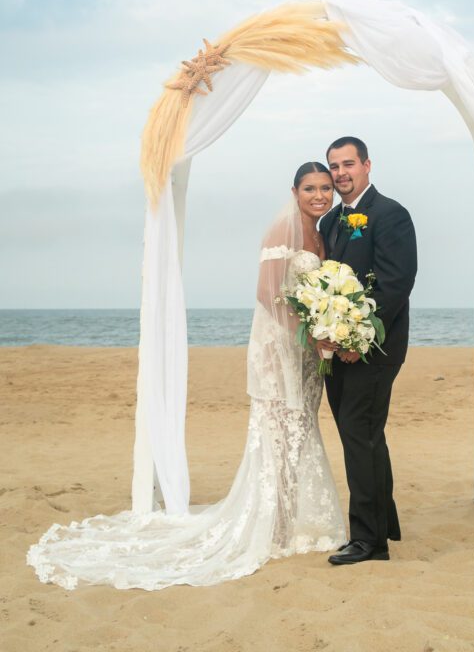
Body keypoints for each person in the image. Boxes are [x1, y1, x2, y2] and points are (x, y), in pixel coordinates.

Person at [27, 163, 346, 590]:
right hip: (280, 350)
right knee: (276, 435)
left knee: (300, 432)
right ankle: (272, 527)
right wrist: (309, 339)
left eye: (326, 188)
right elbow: (267, 294)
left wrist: (320, 336)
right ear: (295, 190)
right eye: (311, 188)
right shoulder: (279, 231)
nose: (320, 195)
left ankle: (286, 522)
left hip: (306, 355)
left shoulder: (320, 235)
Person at [318, 137, 417, 565]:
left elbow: (396, 283)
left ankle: (368, 542)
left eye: (348, 164)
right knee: (364, 437)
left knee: (359, 435)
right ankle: (384, 522)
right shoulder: (330, 222)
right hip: (337, 349)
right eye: (334, 166)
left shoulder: (390, 214)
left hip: (374, 349)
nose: (340, 173)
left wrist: (361, 340)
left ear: (367, 165)